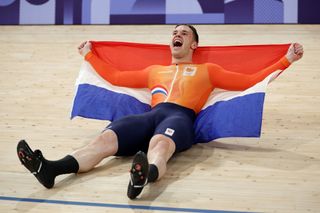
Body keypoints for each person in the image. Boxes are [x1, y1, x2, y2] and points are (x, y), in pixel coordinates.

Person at [17, 25, 304, 199]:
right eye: (174, 33)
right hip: (150, 116)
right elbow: (115, 76)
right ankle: (50, 169)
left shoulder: (209, 70)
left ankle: (145, 175)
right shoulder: (155, 70)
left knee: (160, 144)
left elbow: (249, 82)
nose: (177, 35)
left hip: (180, 118)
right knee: (102, 142)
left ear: (193, 44)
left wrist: (286, 60)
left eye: (184, 33)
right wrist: (89, 54)